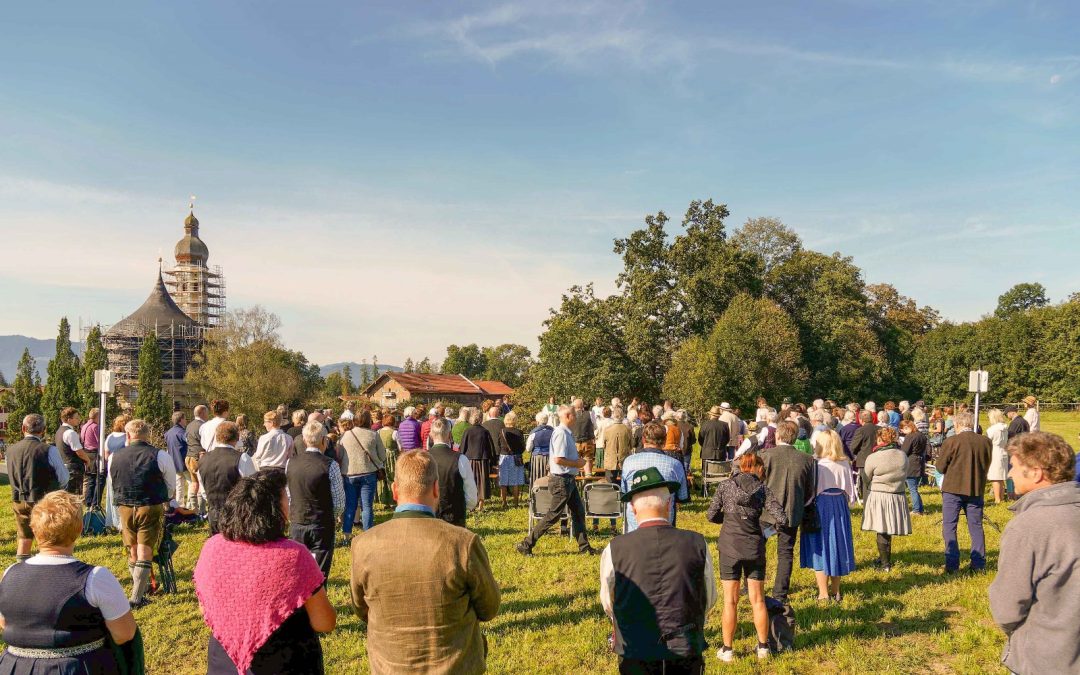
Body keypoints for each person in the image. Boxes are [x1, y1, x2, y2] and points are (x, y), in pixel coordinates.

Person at [350, 451, 500, 674]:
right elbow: (489, 608)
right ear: (436, 489)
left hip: (391, 667)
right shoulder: (463, 543)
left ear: (394, 491)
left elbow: (361, 608)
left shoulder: (363, 545)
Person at [195, 471, 336, 674]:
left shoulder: (212, 547)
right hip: (286, 663)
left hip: (223, 661)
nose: (289, 503)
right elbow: (325, 622)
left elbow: (204, 610)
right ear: (275, 510)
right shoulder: (293, 556)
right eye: (285, 498)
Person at [0, 491, 138, 674]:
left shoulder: (10, 573)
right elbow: (125, 634)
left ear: (34, 529)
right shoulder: (95, 578)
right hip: (77, 668)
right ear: (80, 529)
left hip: (14, 668)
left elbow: (5, 622)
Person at [601, 467, 716, 674]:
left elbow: (609, 602)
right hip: (685, 647)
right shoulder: (697, 543)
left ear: (633, 510)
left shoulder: (615, 548)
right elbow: (709, 597)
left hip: (636, 647)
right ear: (669, 505)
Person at [988, 432, 1080, 675]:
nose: (1009, 473)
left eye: (1014, 466)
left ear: (1037, 472)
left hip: (1045, 656)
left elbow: (1008, 605)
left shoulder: (1029, 525)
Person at [707, 453, 787, 663]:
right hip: (754, 546)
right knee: (758, 600)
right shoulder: (762, 489)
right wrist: (764, 528)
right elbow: (782, 518)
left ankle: (727, 649)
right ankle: (762, 647)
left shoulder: (725, 486)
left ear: (741, 466)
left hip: (729, 546)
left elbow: (711, 515)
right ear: (757, 467)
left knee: (730, 601)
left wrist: (729, 519)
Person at [109, 418, 176, 608]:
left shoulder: (115, 456)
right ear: (147, 435)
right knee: (144, 549)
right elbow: (170, 485)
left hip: (125, 506)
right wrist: (166, 498)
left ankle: (142, 587)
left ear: (128, 435)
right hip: (150, 504)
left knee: (132, 548)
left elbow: (113, 481)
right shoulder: (160, 455)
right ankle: (137, 597)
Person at [517, 405, 596, 555]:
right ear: (567, 416)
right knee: (553, 515)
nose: (576, 417)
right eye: (574, 414)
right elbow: (558, 459)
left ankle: (584, 547)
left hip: (567, 479)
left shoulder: (566, 433)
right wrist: (577, 464)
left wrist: (575, 459)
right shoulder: (561, 434)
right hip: (562, 480)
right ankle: (526, 544)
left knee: (578, 512)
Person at [759, 420, 816, 606]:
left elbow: (757, 484)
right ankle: (780, 593)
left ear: (777, 435)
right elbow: (810, 491)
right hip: (792, 510)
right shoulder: (807, 459)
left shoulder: (766, 455)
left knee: (758, 549)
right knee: (786, 552)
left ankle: (753, 585)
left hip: (766, 511)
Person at [801, 430, 856, 602]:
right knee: (838, 543)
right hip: (839, 504)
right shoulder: (845, 463)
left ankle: (823, 592)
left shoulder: (816, 463)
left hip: (820, 504)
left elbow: (810, 492)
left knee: (821, 544)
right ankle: (836, 589)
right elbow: (850, 491)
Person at [286, 420, 345, 582]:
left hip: (298, 519)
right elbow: (339, 501)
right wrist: (333, 515)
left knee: (298, 569)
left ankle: (301, 603)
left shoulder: (290, 463)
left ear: (304, 441)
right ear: (324, 441)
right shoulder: (330, 465)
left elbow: (288, 493)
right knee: (320, 571)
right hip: (321, 521)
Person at [6, 414, 69, 563]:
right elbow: (64, 477)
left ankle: (21, 568)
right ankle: (44, 568)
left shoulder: (10, 450)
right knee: (46, 538)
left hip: (19, 498)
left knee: (24, 537)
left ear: (23, 428)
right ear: (44, 430)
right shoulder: (48, 450)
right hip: (43, 499)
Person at [937, 411, 991, 573]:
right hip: (975, 487)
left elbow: (940, 467)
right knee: (976, 526)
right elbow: (986, 463)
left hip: (953, 488)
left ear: (957, 425)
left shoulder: (952, 441)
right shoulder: (986, 442)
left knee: (949, 526)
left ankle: (952, 564)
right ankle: (979, 563)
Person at [620, 422, 689, 532]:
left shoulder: (629, 462)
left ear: (643, 440)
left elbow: (624, 491)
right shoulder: (675, 464)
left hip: (635, 524)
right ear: (665, 440)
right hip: (664, 524)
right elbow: (683, 496)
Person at [860, 426, 911, 572]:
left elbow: (865, 477)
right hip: (897, 495)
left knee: (881, 529)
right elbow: (905, 473)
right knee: (887, 528)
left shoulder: (874, 457)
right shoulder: (902, 455)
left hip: (880, 495)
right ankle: (884, 558)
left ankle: (885, 565)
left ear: (880, 439)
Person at [198, 421, 258, 534]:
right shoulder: (242, 458)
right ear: (237, 436)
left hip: (214, 512)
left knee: (218, 548)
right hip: (236, 513)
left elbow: (203, 489)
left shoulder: (203, 459)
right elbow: (252, 488)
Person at [339, 410, 387, 535]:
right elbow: (382, 456)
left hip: (349, 473)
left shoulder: (345, 435)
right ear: (368, 421)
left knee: (350, 505)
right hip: (368, 473)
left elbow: (340, 455)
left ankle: (346, 534)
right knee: (367, 506)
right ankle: (367, 534)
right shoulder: (373, 435)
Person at [426, 419, 478, 526]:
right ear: (449, 435)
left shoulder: (422, 459)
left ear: (431, 435)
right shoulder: (461, 459)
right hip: (454, 518)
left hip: (429, 517)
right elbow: (471, 497)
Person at [460, 409, 495, 511]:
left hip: (470, 460)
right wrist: (492, 462)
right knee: (482, 482)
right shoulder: (485, 431)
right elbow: (490, 448)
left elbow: (462, 448)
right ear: (480, 419)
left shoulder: (467, 431)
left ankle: (472, 506)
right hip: (482, 460)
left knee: (470, 482)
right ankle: (480, 505)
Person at [102, 415, 130, 530]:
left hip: (111, 469)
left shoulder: (109, 437)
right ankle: (121, 521)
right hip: (124, 470)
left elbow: (106, 455)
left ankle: (112, 520)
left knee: (111, 495)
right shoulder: (127, 438)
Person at [56, 407, 90, 496]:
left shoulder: (59, 431)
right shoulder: (70, 433)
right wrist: (87, 460)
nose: (79, 420)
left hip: (63, 465)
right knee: (74, 496)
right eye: (76, 418)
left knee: (65, 495)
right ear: (69, 419)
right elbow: (79, 451)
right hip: (73, 468)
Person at [496, 411, 526, 508]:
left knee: (503, 481)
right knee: (515, 481)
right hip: (516, 458)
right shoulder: (519, 432)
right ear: (515, 420)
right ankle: (516, 503)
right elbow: (523, 447)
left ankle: (504, 502)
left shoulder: (501, 431)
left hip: (504, 457)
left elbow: (498, 445)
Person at [900, 418, 928, 515]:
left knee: (912, 488)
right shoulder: (921, 435)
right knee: (914, 487)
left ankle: (916, 510)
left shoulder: (910, 437)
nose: (903, 432)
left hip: (911, 462)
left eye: (903, 430)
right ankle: (920, 508)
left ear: (907, 427)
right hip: (920, 461)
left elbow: (904, 451)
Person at [850, 410, 878, 498]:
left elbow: (853, 447)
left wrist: (855, 453)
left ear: (861, 419)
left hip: (864, 461)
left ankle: (867, 507)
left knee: (866, 486)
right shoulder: (880, 429)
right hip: (878, 459)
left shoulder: (860, 430)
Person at [601, 408, 633, 484]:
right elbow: (631, 445)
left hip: (610, 460)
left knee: (610, 484)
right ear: (622, 416)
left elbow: (603, 445)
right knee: (625, 483)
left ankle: (611, 495)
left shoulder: (607, 429)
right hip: (624, 459)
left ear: (613, 416)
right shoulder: (627, 429)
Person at [185, 405, 208, 510]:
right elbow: (205, 443)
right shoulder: (202, 426)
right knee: (201, 484)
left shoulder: (189, 425)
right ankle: (202, 510)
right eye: (207, 413)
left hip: (189, 457)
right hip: (199, 457)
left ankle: (194, 509)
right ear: (202, 413)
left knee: (194, 483)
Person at [79, 408, 103, 508]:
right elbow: (100, 441)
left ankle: (88, 502)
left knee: (90, 478)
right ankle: (94, 502)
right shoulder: (95, 427)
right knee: (97, 479)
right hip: (94, 453)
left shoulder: (84, 426)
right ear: (97, 416)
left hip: (86, 452)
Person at [985, 408, 1010, 503]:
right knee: (1001, 477)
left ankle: (997, 499)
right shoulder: (1005, 428)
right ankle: (1001, 497)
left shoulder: (992, 429)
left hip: (994, 452)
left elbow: (987, 441)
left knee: (995, 477)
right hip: (1003, 451)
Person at [164, 411, 189, 508]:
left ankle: (179, 505)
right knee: (192, 484)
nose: (186, 421)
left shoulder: (168, 433)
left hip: (173, 463)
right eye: (185, 418)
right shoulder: (183, 433)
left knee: (179, 486)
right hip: (184, 462)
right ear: (181, 420)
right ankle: (190, 506)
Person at [526, 411, 554, 487]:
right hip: (550, 457)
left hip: (537, 458)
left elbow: (528, 449)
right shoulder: (553, 431)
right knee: (549, 477)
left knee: (536, 475)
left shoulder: (534, 433)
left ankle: (535, 494)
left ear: (537, 421)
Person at [571, 398, 596, 476]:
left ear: (574, 407)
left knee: (575, 460)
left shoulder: (571, 416)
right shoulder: (590, 413)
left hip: (574, 442)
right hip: (587, 441)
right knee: (588, 459)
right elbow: (595, 426)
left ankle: (576, 478)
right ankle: (588, 478)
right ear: (582, 406)